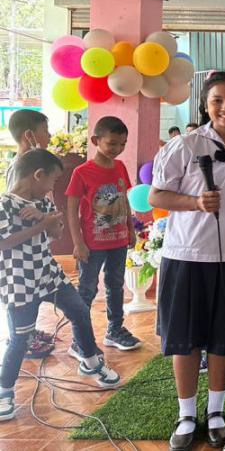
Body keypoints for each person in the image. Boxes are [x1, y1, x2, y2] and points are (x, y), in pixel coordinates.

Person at [149, 71, 225, 451]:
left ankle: (216, 413)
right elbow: (156, 195)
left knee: (224, 339)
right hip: (185, 256)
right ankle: (186, 415)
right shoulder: (184, 145)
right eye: (217, 100)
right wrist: (195, 202)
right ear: (205, 104)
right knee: (185, 340)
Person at [1, 150, 120, 422]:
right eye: (52, 181)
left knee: (79, 311)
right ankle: (4, 391)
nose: (51, 187)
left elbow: (55, 231)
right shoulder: (5, 204)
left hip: (49, 274)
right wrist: (42, 223)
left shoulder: (42, 201)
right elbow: (3, 242)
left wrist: (48, 219)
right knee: (20, 338)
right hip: (19, 281)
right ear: (38, 175)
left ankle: (90, 361)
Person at [65, 116, 141, 357]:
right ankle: (80, 341)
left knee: (115, 285)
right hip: (92, 244)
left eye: (122, 144)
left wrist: (130, 229)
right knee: (87, 289)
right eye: (112, 143)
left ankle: (115, 330)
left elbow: (124, 200)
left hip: (118, 241)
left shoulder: (120, 167)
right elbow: (72, 211)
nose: (117, 149)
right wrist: (78, 243)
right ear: (95, 140)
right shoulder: (81, 172)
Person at [5, 109, 56, 358]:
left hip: (35, 244)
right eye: (45, 131)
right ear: (29, 135)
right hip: (19, 251)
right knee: (19, 296)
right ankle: (20, 338)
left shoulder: (32, 162)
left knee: (31, 292)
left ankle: (28, 333)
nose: (50, 135)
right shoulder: (20, 168)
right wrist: (41, 221)